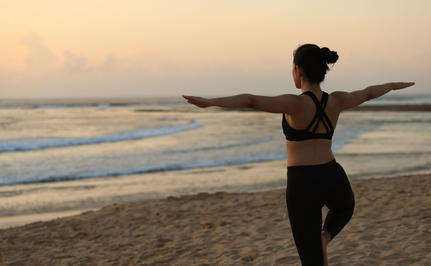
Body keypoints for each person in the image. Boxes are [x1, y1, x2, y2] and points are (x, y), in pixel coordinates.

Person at [182, 43, 414, 266]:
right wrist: (393, 85)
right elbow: (367, 93)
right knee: (345, 207)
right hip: (332, 173)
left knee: (310, 259)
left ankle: (319, 242)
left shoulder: (294, 104)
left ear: (298, 70)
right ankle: (325, 237)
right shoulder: (337, 100)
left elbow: (251, 101)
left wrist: (210, 102)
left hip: (302, 183)